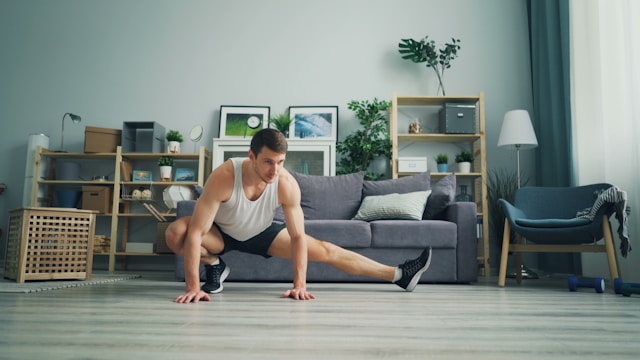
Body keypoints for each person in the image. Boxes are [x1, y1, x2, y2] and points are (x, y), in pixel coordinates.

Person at [166, 128, 432, 303]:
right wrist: (193, 287)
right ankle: (215, 264)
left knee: (326, 249)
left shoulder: (285, 183)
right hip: (220, 234)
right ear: (251, 156)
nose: (275, 170)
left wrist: (299, 285)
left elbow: (297, 238)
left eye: (280, 162)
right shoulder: (225, 176)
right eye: (268, 162)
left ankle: (398, 275)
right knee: (177, 233)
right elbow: (198, 233)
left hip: (262, 233)